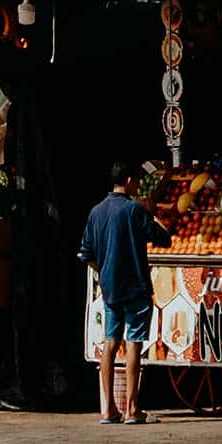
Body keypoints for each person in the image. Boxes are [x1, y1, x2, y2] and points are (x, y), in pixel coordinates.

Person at [76, 162, 172, 424]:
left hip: (109, 288)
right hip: (135, 286)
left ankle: (107, 409)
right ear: (129, 181)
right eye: (136, 181)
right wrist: (152, 213)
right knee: (133, 344)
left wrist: (105, 270)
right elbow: (164, 238)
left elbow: (86, 254)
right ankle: (132, 408)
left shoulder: (96, 212)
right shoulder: (134, 211)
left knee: (109, 344)